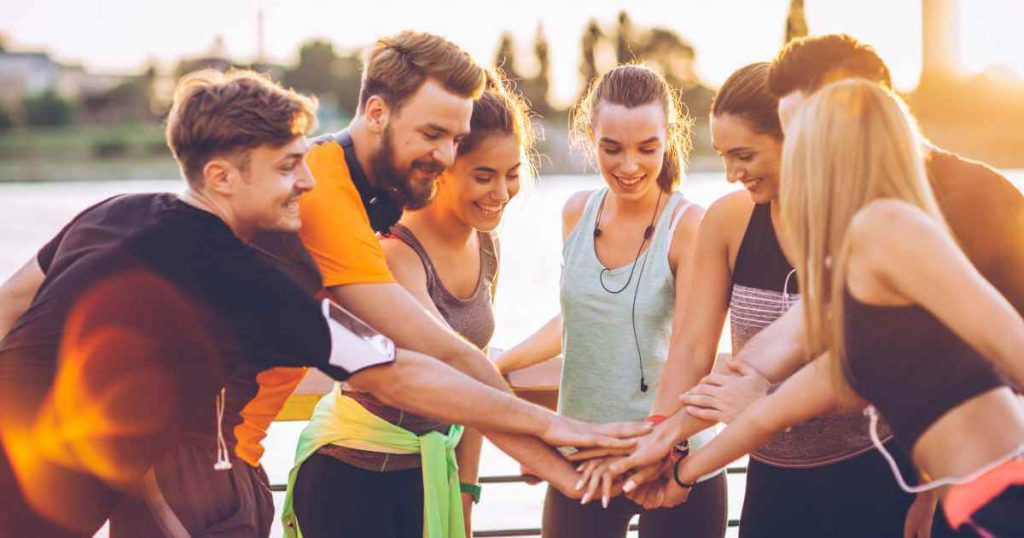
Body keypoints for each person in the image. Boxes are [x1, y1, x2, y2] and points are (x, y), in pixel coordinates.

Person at [0, 69, 643, 538]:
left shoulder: (113, 215)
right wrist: (554, 428)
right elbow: (396, 370)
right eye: (286, 168)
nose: (307, 182)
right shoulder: (241, 278)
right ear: (222, 177)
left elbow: (10, 309)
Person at [602, 34, 1024, 537]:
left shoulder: (895, 226)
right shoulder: (856, 245)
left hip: (1000, 495)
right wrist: (670, 457)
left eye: (799, 129)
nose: (794, 148)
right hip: (972, 502)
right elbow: (763, 382)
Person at [280, 29, 616, 520]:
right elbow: (427, 366)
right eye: (433, 134)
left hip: (244, 458)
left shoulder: (365, 205)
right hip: (285, 467)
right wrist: (557, 442)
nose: (442, 157)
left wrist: (540, 466)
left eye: (454, 140)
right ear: (376, 113)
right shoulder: (332, 202)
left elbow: (447, 363)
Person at [287, 73, 532, 538]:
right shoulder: (396, 251)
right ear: (443, 168)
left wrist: (466, 493)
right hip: (353, 476)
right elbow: (450, 365)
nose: (500, 193)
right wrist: (550, 446)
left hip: (425, 475)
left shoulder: (486, 247)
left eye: (512, 174)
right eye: (484, 175)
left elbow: (474, 383)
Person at [495, 64, 727, 538]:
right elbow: (579, 318)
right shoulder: (577, 212)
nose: (629, 166)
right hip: (583, 460)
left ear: (669, 139)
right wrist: (497, 366)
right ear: (590, 137)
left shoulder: (689, 225)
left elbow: (692, 345)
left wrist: (663, 446)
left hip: (670, 458)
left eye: (647, 148)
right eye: (612, 148)